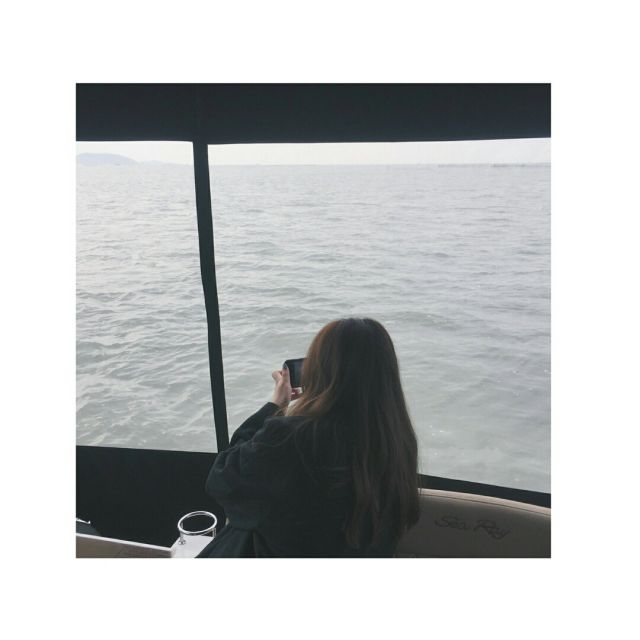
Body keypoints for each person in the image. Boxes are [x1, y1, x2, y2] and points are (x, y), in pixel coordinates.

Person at [197, 317, 420, 557]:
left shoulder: (292, 437)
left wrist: (274, 406)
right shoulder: (398, 443)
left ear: (320, 371)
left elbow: (222, 480)